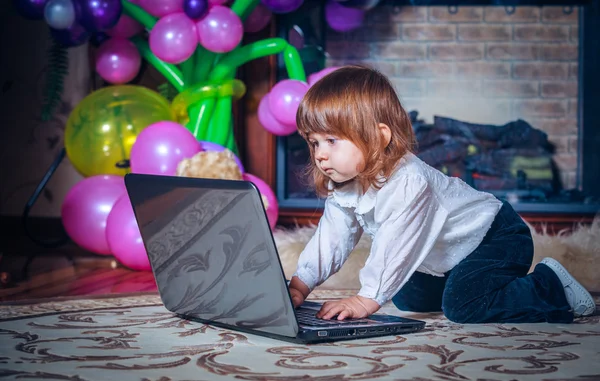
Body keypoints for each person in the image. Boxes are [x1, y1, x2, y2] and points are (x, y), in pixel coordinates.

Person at [287, 65, 596, 324]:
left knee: (463, 306)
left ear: (379, 137)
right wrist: (301, 283)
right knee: (407, 298)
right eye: (314, 143)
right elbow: (331, 238)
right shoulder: (345, 184)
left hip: (495, 237)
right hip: (446, 255)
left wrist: (366, 299)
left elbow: (395, 244)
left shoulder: (409, 181)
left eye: (331, 140)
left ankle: (548, 284)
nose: (320, 155)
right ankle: (458, 281)